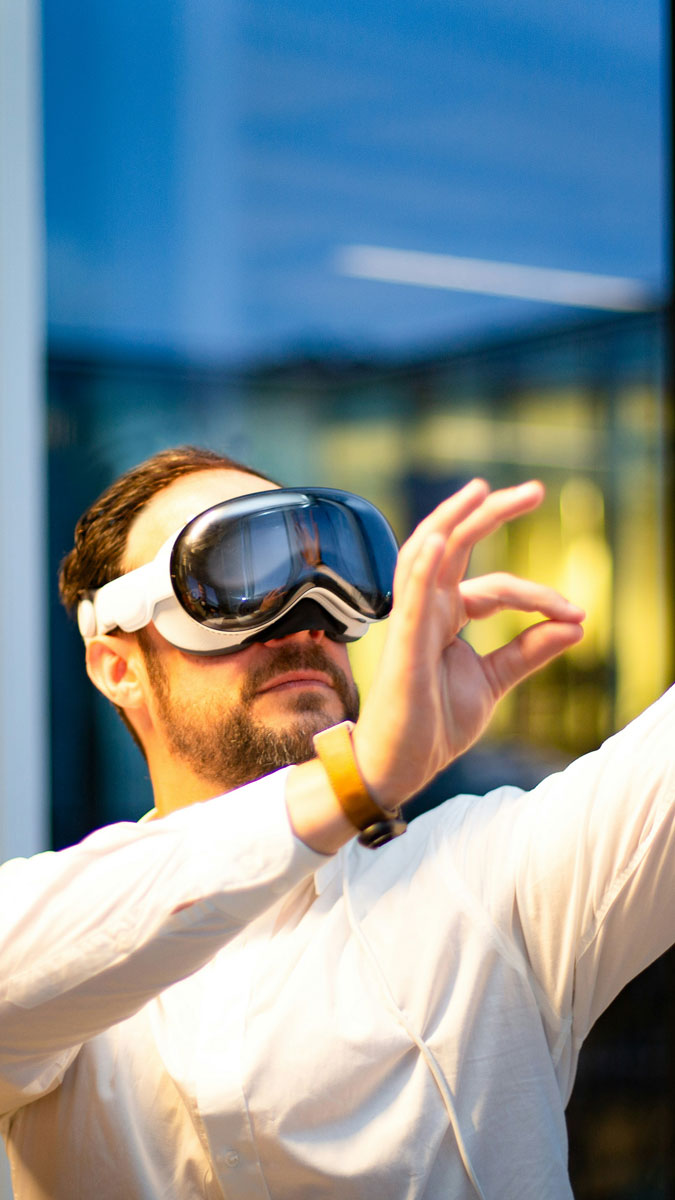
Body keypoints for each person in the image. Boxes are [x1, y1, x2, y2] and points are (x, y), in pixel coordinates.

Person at [0, 444, 672, 1200]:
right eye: (236, 577)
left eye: (322, 574)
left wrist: (361, 785)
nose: (306, 621)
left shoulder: (488, 881)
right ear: (118, 666)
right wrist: (357, 782)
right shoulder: (50, 932)